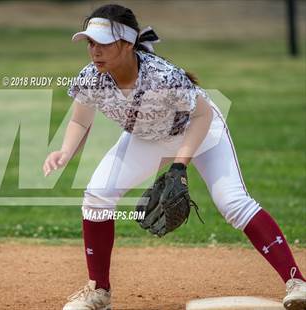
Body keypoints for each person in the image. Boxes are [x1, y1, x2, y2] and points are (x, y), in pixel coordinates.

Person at [42, 4, 306, 310]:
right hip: (146, 137)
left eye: (103, 43)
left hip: (200, 133)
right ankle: (98, 290)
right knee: (97, 196)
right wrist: (64, 151)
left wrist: (181, 163)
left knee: (232, 202)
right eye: (90, 42)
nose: (94, 50)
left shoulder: (162, 75)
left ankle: (296, 282)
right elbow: (80, 120)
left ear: (127, 44)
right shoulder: (92, 77)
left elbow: (202, 116)